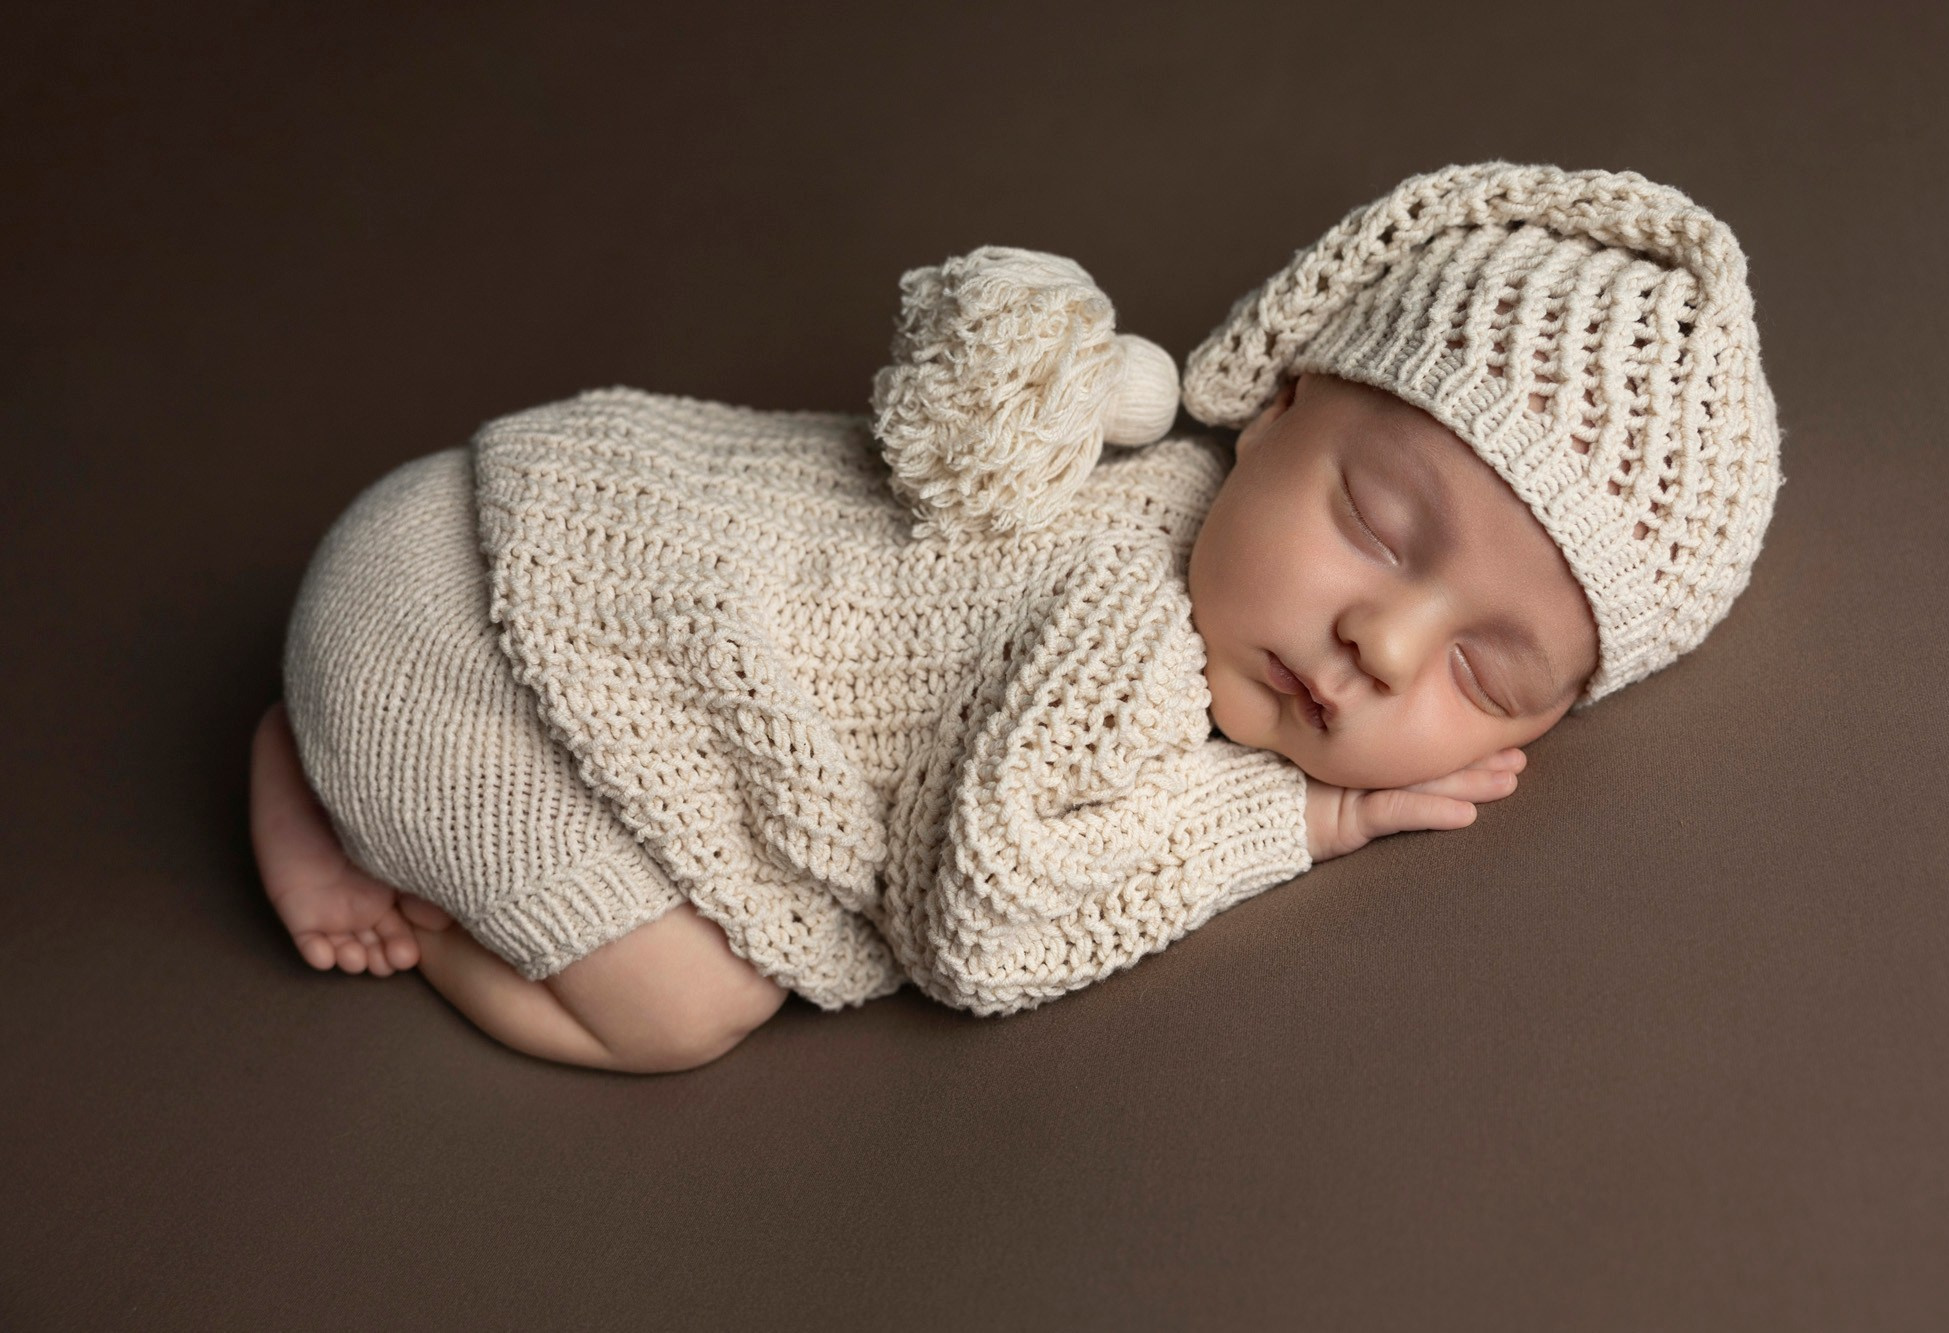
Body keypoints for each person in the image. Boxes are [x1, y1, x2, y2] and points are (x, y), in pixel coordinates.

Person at [249, 161, 1783, 1072]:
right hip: (452, 624)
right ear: (1273, 406)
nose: (1381, 643)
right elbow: (978, 919)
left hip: (498, 523)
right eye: (1379, 527)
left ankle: (360, 782)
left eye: (1483, 666)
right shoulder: (1126, 617)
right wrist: (1295, 826)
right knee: (681, 1006)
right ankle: (348, 831)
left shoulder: (1181, 563)